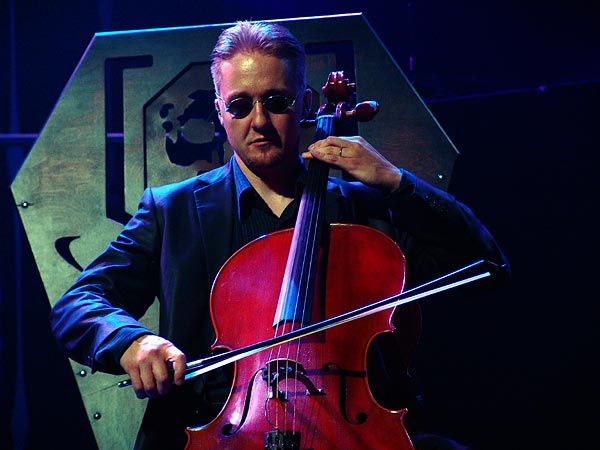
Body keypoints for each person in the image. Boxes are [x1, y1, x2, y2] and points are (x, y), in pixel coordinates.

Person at [50, 20, 509, 450]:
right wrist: (133, 341)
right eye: (240, 104)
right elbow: (79, 303)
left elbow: (485, 266)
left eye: (276, 101)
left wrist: (396, 182)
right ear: (220, 112)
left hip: (349, 431)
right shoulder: (171, 211)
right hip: (215, 431)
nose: (259, 121)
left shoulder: (369, 211)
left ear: (305, 104)